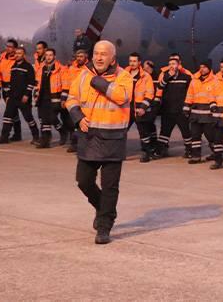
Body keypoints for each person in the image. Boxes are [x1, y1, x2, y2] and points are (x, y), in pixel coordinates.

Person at [66, 40, 132, 244]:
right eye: (96, 53)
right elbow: (71, 98)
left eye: (104, 54)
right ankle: (103, 208)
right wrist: (77, 117)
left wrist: (99, 81)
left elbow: (121, 97)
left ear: (113, 57)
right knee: (83, 181)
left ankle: (104, 226)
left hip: (113, 139)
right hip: (89, 138)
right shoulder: (83, 74)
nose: (99, 57)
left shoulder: (124, 76)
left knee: (110, 186)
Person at [0, 46, 39, 145]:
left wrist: (27, 95)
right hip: (12, 97)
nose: (17, 55)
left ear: (24, 55)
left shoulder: (28, 67)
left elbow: (31, 82)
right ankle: (4, 137)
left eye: (20, 53)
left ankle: (36, 136)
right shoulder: (13, 66)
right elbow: (11, 83)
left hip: (23, 98)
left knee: (28, 117)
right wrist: (8, 95)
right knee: (7, 117)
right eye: (16, 53)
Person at [156, 55, 192, 158]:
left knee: (186, 132)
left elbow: (191, 92)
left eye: (174, 64)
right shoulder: (165, 76)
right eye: (170, 64)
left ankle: (190, 151)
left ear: (179, 65)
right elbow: (160, 87)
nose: (171, 66)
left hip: (181, 110)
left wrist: (188, 106)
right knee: (164, 132)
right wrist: (167, 77)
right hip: (168, 110)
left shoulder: (186, 77)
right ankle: (161, 151)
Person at [183, 60, 218, 165]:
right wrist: (186, 106)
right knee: (195, 136)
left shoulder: (215, 80)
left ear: (209, 68)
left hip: (208, 114)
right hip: (195, 113)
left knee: (210, 136)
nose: (202, 69)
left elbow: (216, 94)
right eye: (200, 66)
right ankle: (196, 156)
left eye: (204, 67)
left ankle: (216, 153)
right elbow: (190, 94)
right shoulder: (194, 80)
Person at [127, 53, 156, 162]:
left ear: (139, 62)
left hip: (139, 108)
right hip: (127, 108)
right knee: (121, 131)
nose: (132, 63)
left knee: (144, 133)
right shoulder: (124, 74)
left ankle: (146, 153)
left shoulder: (146, 76)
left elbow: (150, 93)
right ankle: (118, 153)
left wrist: (143, 107)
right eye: (130, 61)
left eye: (134, 61)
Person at [34, 48, 66, 149]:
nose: (48, 57)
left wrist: (63, 98)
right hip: (42, 97)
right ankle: (45, 141)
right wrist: (35, 95)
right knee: (44, 120)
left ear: (54, 57)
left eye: (50, 55)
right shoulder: (41, 68)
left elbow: (65, 84)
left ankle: (63, 131)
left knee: (52, 118)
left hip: (54, 97)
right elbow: (37, 83)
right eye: (47, 55)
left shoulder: (61, 68)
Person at [62, 50, 89, 153]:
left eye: (81, 56)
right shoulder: (72, 69)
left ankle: (82, 145)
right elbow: (67, 84)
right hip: (73, 99)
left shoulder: (89, 68)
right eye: (78, 56)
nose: (79, 58)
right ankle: (74, 143)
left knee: (83, 123)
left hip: (85, 100)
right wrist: (64, 98)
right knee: (72, 123)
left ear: (86, 57)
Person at [0, 39, 22, 141]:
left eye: (10, 47)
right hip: (4, 86)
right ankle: (17, 134)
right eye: (7, 46)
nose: (8, 48)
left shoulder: (17, 59)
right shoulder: (2, 56)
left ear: (15, 48)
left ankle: (5, 135)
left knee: (9, 111)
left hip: (13, 87)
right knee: (13, 111)